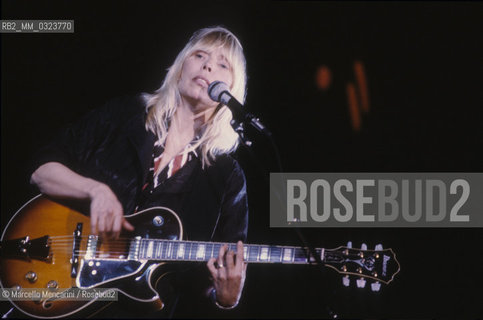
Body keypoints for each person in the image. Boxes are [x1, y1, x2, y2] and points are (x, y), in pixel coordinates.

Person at [30, 26, 249, 318]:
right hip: (55, 280)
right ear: (181, 66)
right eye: (199, 55)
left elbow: (209, 283)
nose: (208, 65)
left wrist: (226, 298)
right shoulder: (124, 115)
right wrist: (95, 190)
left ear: (232, 90)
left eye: (223, 64)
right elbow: (41, 169)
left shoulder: (227, 178)